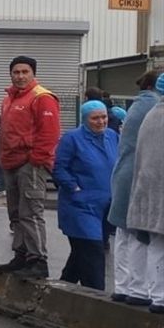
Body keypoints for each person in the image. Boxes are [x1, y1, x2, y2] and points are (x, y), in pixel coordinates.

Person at [0, 56, 62, 279]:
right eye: (16, 72)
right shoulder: (9, 99)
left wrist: (36, 159)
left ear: (33, 74)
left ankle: (38, 259)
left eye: (25, 72)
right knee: (15, 213)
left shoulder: (42, 97)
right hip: (11, 162)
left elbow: (49, 133)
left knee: (31, 212)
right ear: (10, 74)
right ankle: (21, 255)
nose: (20, 76)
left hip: (29, 164)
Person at [52, 101, 118, 290]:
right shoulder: (72, 139)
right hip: (80, 206)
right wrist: (74, 188)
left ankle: (62, 288)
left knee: (81, 254)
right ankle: (97, 297)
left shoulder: (112, 136)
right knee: (93, 251)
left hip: (105, 205)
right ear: (85, 119)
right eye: (95, 118)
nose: (100, 122)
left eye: (103, 117)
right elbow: (59, 168)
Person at [109, 69, 162, 304]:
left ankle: (128, 288)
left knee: (128, 234)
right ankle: (144, 292)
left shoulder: (142, 107)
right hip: (143, 179)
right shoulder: (152, 107)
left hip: (130, 176)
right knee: (146, 237)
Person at [125, 75, 164, 314]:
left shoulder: (151, 115)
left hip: (148, 189)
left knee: (155, 243)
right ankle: (159, 296)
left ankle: (152, 294)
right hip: (158, 189)